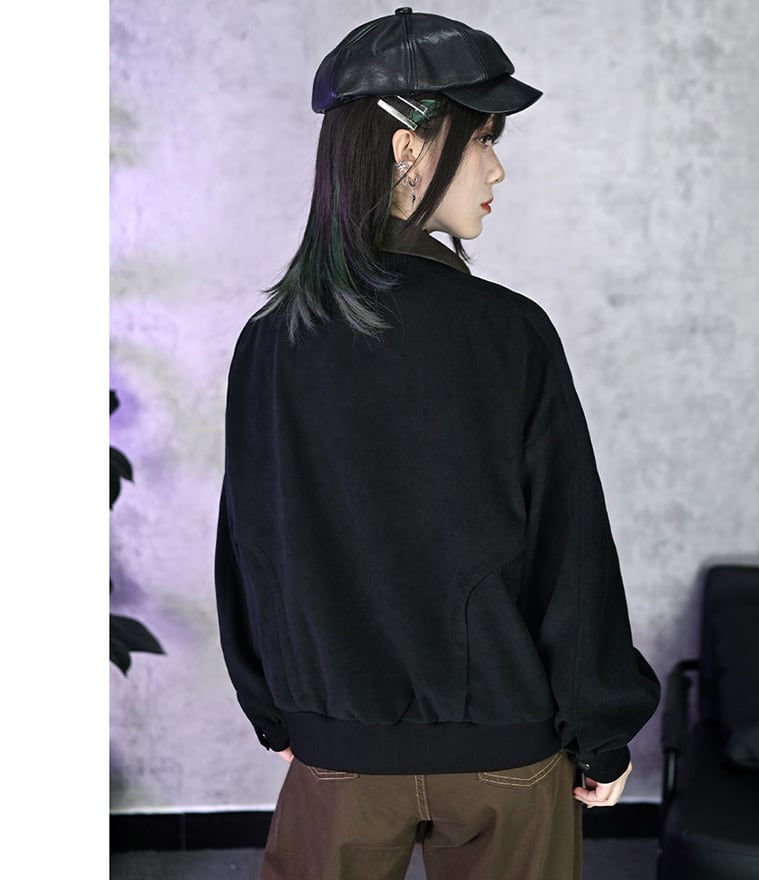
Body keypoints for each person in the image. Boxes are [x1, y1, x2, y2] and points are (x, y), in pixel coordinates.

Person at [214, 8, 660, 880]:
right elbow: (569, 553)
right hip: (507, 756)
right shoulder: (508, 332)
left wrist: (276, 709)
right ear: (407, 148)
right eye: (483, 138)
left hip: (339, 756)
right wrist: (601, 732)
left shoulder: (272, 341)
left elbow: (254, 547)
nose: (497, 167)